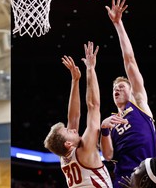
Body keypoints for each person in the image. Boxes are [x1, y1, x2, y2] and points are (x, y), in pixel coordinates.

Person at [100, 0, 156, 188]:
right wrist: (104, 130)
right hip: (122, 180)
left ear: (132, 91)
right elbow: (108, 155)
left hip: (149, 176)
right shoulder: (110, 122)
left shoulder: (138, 103)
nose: (116, 89)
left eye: (121, 87)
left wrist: (118, 24)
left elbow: (129, 60)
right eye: (114, 89)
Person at [44, 41, 113, 187]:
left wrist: (75, 81)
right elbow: (94, 106)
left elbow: (73, 117)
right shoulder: (86, 150)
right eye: (69, 131)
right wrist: (90, 68)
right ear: (68, 143)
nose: (73, 128)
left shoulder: (64, 157)